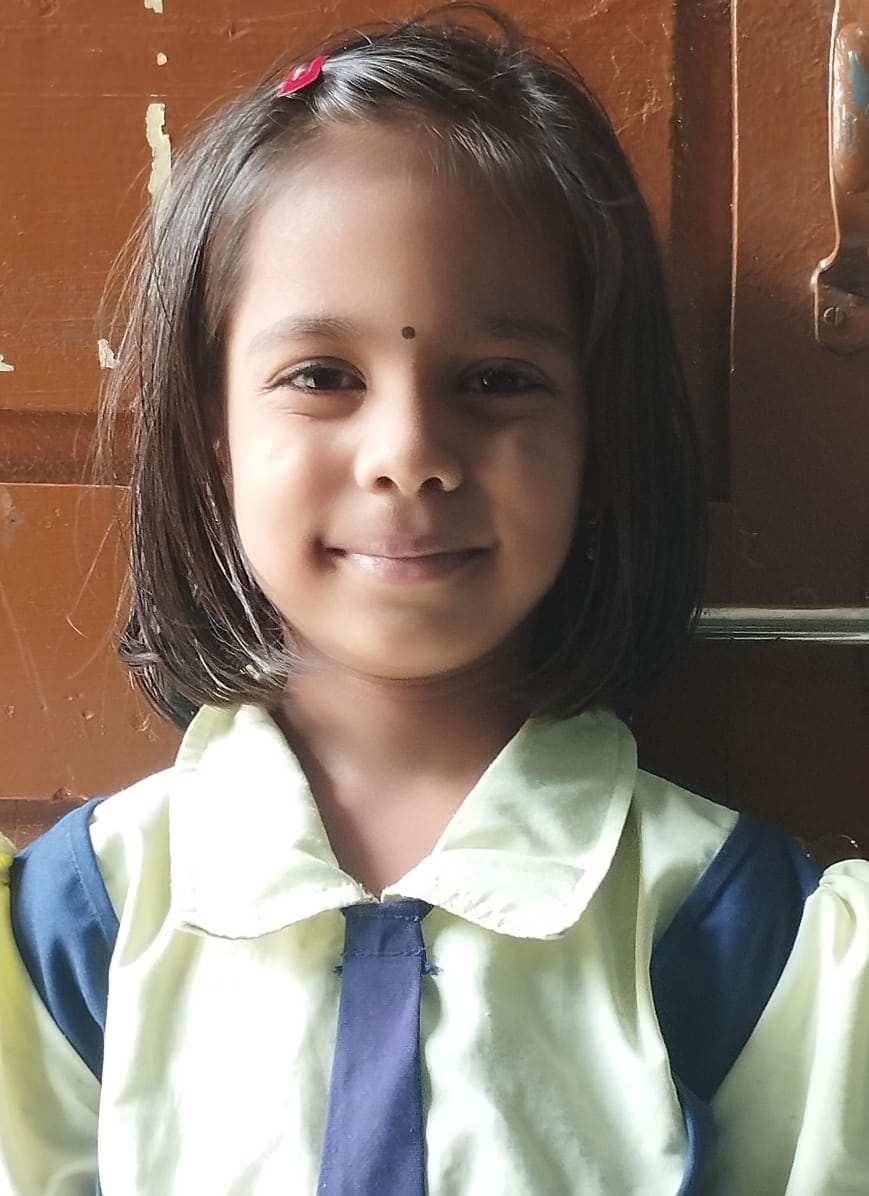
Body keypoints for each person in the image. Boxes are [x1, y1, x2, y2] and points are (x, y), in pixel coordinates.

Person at [1, 6, 867, 1194]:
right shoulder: (79, 926)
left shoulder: (737, 936)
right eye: (321, 375)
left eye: (496, 379)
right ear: (212, 431)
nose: (409, 452)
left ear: (596, 433)